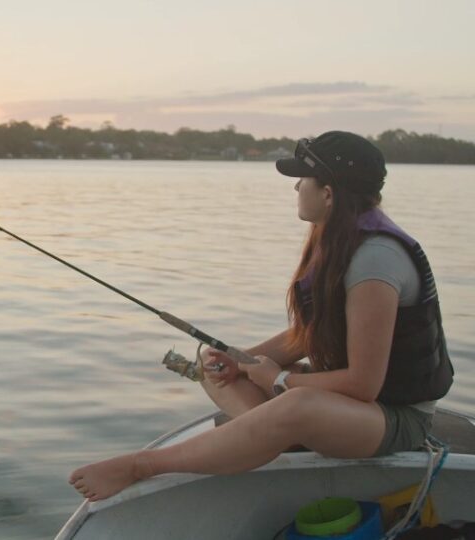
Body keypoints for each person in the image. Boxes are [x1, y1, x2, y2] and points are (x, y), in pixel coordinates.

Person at [69, 131, 454, 502]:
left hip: (393, 417)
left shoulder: (376, 259)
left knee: (297, 404)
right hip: (349, 408)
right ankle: (271, 434)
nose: (296, 187)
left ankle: (142, 465)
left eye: (302, 178)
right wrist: (242, 360)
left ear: (328, 193)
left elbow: (364, 384)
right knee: (211, 366)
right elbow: (312, 334)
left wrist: (281, 380)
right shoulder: (338, 241)